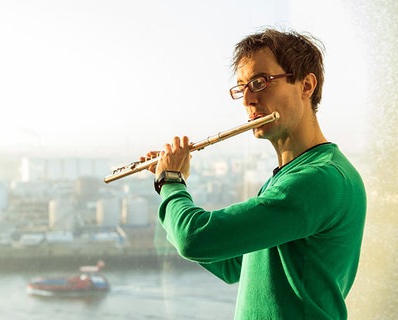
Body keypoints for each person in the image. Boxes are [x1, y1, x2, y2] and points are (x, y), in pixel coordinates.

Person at [146, 28, 367, 320]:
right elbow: (232, 265)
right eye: (242, 88)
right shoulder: (287, 177)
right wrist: (169, 191)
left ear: (306, 85)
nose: (247, 100)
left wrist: (171, 183)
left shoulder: (320, 179)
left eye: (260, 82)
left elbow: (194, 240)